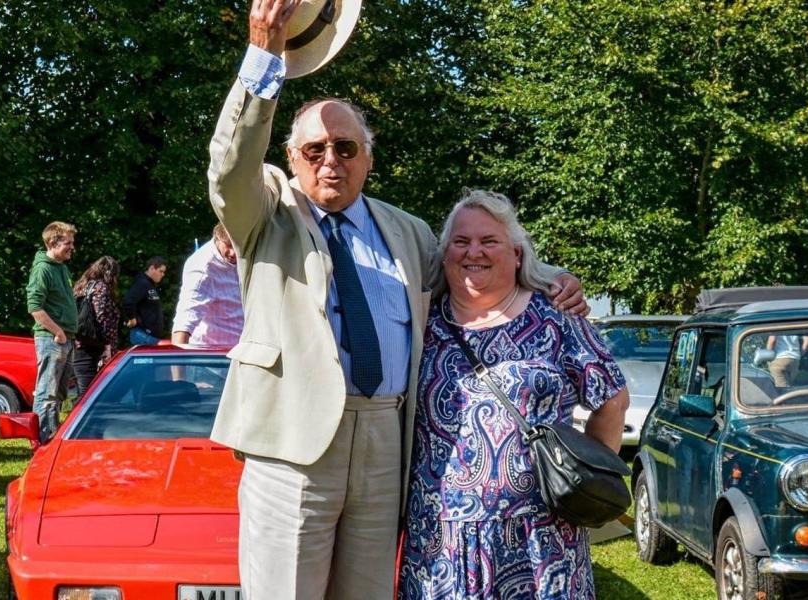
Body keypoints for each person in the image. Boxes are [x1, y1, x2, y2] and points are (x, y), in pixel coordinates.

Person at [207, 3, 587, 598]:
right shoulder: (266, 217)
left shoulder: (406, 233)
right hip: (294, 449)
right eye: (314, 150)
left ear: (368, 157)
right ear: (291, 159)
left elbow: (477, 268)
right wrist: (265, 51)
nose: (330, 160)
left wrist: (551, 277)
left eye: (346, 148)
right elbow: (229, 168)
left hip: (388, 442)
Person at [398, 190, 629, 600]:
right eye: (461, 241)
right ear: (445, 252)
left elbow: (611, 398)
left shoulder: (556, 317)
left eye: (489, 241)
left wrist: (583, 473)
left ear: (517, 254)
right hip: (440, 541)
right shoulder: (420, 324)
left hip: (541, 539)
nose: (475, 252)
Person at [26, 221, 79, 443]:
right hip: (51, 338)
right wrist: (57, 332)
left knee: (59, 393)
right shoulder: (43, 269)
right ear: (53, 242)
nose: (72, 247)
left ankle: (51, 436)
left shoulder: (61, 268)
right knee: (47, 390)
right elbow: (35, 307)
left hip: (65, 338)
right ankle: (41, 441)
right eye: (68, 243)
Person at [171, 223, 243, 346]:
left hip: (243, 352)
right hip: (211, 359)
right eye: (228, 245)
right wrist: (177, 363)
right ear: (217, 238)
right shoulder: (202, 268)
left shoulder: (249, 255)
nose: (233, 253)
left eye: (237, 246)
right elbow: (184, 322)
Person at [71, 256, 121, 396]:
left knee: (84, 392)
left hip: (79, 344)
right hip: (95, 349)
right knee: (90, 395)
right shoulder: (101, 289)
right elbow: (102, 318)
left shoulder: (81, 287)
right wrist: (108, 345)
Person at [122, 256, 167, 345]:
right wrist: (132, 318)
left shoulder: (149, 284)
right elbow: (128, 301)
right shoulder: (142, 283)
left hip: (149, 336)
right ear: (151, 268)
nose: (163, 274)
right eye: (160, 271)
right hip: (143, 335)